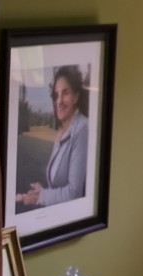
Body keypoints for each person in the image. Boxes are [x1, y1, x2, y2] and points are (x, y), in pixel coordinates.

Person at [15, 65, 89, 208]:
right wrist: (42, 191)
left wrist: (41, 197)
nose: (59, 101)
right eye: (56, 95)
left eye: (65, 93)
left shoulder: (82, 128)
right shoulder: (61, 132)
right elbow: (58, 184)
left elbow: (74, 193)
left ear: (76, 97)